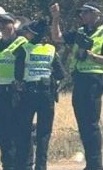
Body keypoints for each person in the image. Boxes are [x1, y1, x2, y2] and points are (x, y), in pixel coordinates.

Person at [50, 2, 103, 170]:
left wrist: (92, 56)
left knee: (91, 123)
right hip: (79, 80)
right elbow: (57, 37)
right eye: (81, 13)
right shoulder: (79, 32)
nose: (82, 15)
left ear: (96, 14)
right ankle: (90, 163)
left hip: (94, 79)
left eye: (86, 12)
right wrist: (56, 18)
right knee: (82, 123)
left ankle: (96, 164)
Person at [13, 19, 65, 170]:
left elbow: (17, 74)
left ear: (34, 34)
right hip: (47, 94)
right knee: (44, 133)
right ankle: (41, 166)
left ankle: (25, 165)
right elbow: (61, 74)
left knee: (24, 130)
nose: (26, 34)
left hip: (28, 94)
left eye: (28, 31)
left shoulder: (24, 49)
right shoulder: (51, 49)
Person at [0, 13, 28, 170]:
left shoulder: (22, 43)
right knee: (3, 133)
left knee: (17, 132)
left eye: (5, 22)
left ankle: (20, 165)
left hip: (14, 94)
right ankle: (7, 165)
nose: (2, 26)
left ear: (14, 24)